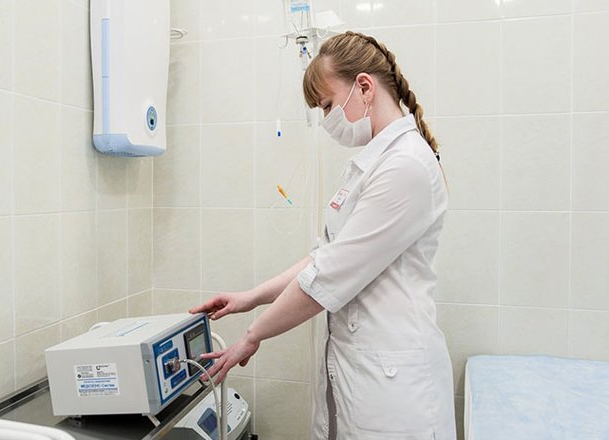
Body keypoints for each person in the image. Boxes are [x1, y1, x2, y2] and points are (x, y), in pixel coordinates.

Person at [189, 31, 456, 440]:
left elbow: (327, 276)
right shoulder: (372, 164)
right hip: (366, 370)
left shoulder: (405, 166)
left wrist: (252, 336)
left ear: (364, 87)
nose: (326, 119)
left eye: (328, 105)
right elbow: (324, 258)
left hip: (395, 387)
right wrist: (251, 297)